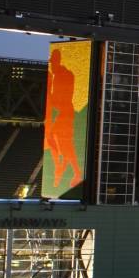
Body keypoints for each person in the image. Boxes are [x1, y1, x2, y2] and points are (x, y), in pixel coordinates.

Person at [43, 47, 83, 192]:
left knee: (65, 144)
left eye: (52, 62)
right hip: (63, 112)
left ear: (56, 61)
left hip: (65, 113)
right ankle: (62, 166)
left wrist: (48, 95)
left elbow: (61, 98)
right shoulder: (60, 74)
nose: (51, 65)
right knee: (56, 139)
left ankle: (74, 172)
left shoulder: (62, 74)